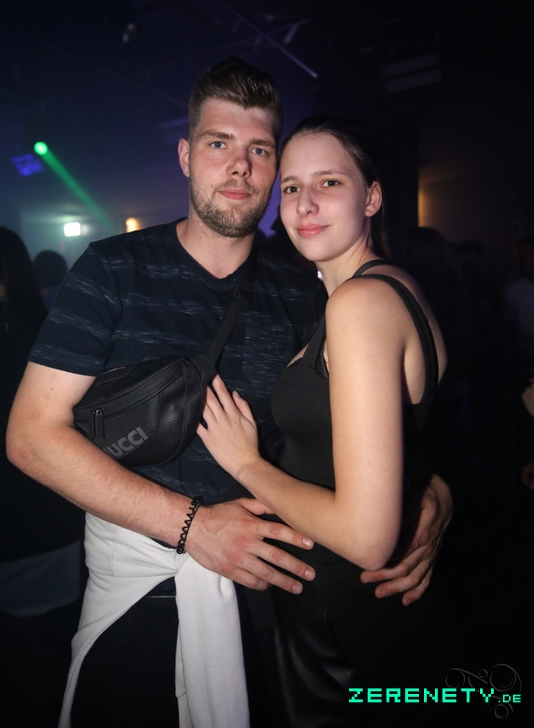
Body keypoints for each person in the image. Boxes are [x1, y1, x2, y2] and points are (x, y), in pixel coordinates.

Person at [7, 61, 451, 728]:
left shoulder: (307, 292)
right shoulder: (112, 269)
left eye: (260, 150)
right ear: (187, 156)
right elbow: (31, 436)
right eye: (219, 143)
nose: (240, 165)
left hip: (277, 601)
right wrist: (192, 526)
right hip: (146, 595)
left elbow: (364, 429)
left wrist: (434, 492)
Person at [197, 116, 456, 726]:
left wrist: (246, 464)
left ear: (372, 197)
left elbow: (366, 536)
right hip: (361, 616)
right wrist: (438, 488)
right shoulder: (384, 289)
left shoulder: (360, 303)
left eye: (329, 183)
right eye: (291, 187)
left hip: (343, 629)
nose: (304, 204)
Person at [0, 228, 83, 728]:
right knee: (51, 665)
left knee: (31, 675)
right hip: (51, 522)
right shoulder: (48, 329)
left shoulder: (32, 336)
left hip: (30, 529)